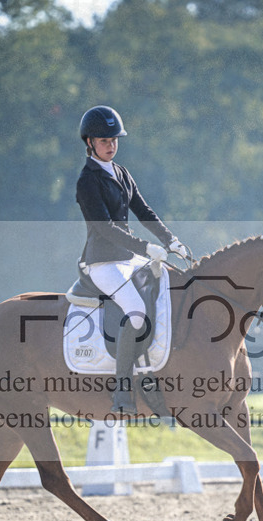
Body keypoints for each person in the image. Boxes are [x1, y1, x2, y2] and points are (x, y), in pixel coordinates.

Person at [75, 105, 189, 414]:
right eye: (103, 141)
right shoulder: (88, 181)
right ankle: (122, 390)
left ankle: (149, 373)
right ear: (90, 143)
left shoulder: (122, 173)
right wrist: (145, 248)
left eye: (114, 140)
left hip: (126, 259)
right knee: (137, 313)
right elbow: (105, 229)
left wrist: (170, 240)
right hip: (102, 263)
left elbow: (145, 212)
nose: (110, 145)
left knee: (164, 295)